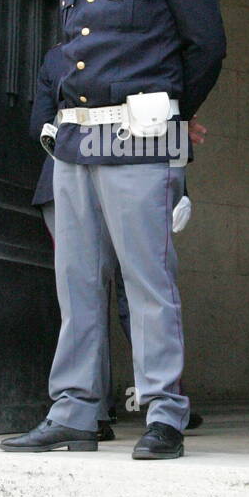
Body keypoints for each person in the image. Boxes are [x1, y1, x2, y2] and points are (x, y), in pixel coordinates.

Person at [2, 0, 225, 459]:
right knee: (75, 281)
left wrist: (173, 110)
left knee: (147, 277)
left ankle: (162, 409)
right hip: (78, 136)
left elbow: (205, 45)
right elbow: (70, 51)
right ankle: (74, 407)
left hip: (137, 133)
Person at [29, 43, 205, 439]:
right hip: (69, 174)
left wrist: (175, 116)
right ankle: (88, 410)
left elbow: (202, 59)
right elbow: (39, 121)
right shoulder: (57, 57)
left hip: (138, 163)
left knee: (141, 287)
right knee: (80, 291)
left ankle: (162, 403)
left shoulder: (149, 52)